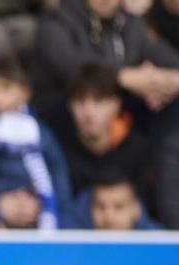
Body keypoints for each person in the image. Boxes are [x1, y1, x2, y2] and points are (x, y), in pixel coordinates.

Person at [0, 58, 71, 229]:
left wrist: (58, 213)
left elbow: (57, 169)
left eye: (5, 88)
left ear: (25, 94)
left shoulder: (38, 129)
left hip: (39, 217)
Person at [34, 0, 179, 116]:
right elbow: (68, 62)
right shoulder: (56, 20)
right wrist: (122, 77)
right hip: (66, 112)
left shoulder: (130, 21)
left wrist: (168, 82)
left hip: (122, 115)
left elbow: (161, 53)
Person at [56, 64, 149, 200]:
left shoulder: (135, 149)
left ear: (116, 104)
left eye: (98, 101)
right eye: (80, 101)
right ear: (70, 105)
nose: (89, 112)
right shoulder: (56, 148)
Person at [77, 172, 163, 230]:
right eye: (101, 207)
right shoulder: (73, 245)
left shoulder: (161, 243)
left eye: (119, 206)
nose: (109, 217)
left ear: (136, 208)